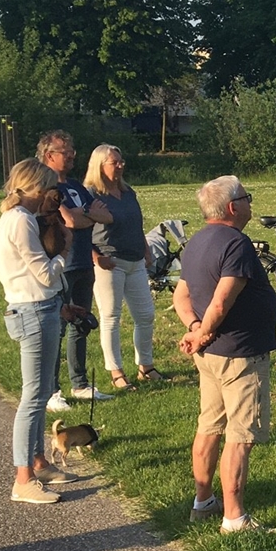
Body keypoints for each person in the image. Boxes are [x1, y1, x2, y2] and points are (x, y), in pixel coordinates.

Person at [172, 176, 276, 534]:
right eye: (247, 198)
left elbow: (181, 297)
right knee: (240, 434)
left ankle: (202, 502)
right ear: (234, 207)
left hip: (211, 354)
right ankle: (234, 518)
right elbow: (222, 300)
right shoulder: (237, 244)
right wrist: (201, 331)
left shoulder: (196, 242)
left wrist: (194, 331)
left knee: (209, 425)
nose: (251, 203)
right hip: (239, 353)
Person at [0, 158, 82, 503]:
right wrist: (66, 250)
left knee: (42, 392)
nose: (52, 194)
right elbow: (45, 274)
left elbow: (40, 280)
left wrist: (59, 302)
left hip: (40, 307)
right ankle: (22, 479)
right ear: (34, 188)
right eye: (48, 187)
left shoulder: (21, 219)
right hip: (31, 312)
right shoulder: (19, 222)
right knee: (32, 397)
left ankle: (39, 462)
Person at [38, 131, 112, 411]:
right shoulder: (46, 187)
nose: (71, 157)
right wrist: (87, 215)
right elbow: (69, 220)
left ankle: (79, 383)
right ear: (49, 155)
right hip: (61, 264)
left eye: (72, 152)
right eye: (64, 152)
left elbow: (106, 216)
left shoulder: (76, 187)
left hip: (84, 261)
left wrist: (87, 216)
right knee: (57, 327)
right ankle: (51, 389)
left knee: (81, 323)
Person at [86, 144, 162, 390]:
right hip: (109, 262)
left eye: (121, 161)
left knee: (146, 315)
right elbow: (79, 233)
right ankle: (116, 372)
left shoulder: (128, 192)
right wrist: (96, 257)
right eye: (114, 162)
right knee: (111, 317)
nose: (120, 166)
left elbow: (136, 223)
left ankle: (146, 367)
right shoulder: (91, 194)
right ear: (100, 166)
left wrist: (145, 248)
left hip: (135, 260)